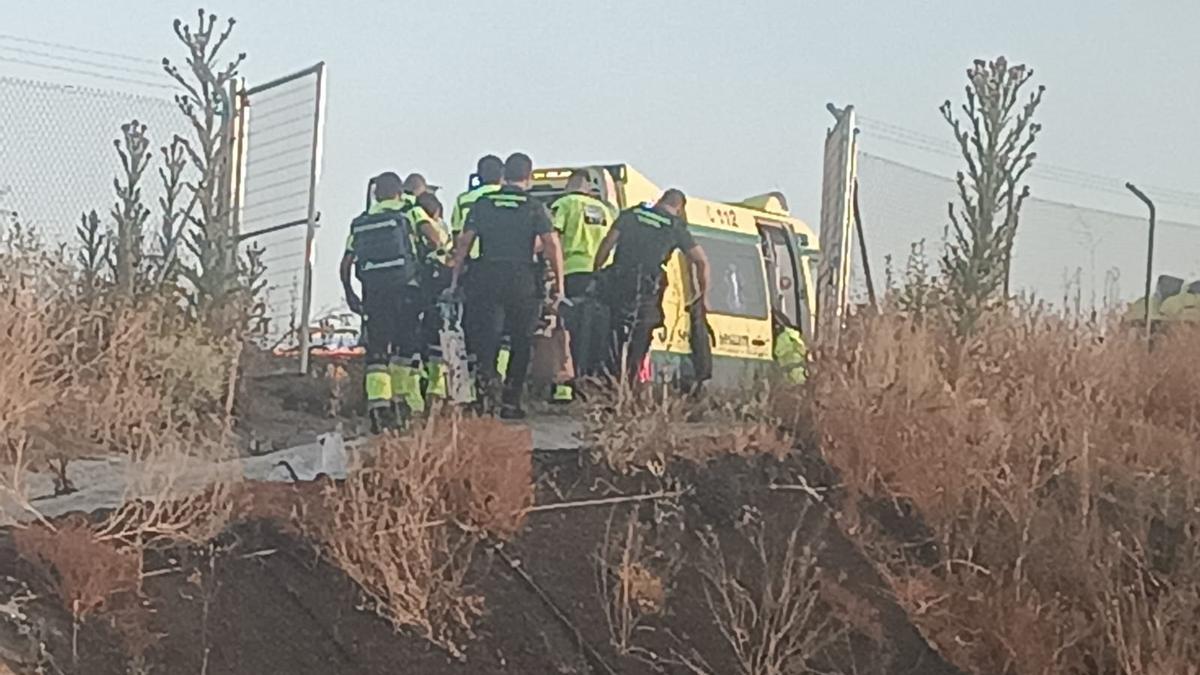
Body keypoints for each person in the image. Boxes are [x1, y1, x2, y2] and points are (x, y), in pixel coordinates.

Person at [450, 152, 564, 419]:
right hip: (522, 280)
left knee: (485, 338)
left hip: (486, 277)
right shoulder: (534, 206)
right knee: (521, 340)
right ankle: (511, 401)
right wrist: (560, 285)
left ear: (504, 176)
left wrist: (455, 280)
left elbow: (464, 242)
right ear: (529, 176)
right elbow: (551, 245)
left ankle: (486, 396)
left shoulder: (483, 202)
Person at [340, 172, 446, 431]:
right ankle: (402, 404)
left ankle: (379, 409)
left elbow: (345, 264)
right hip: (407, 289)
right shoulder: (410, 211)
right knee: (405, 349)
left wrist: (350, 293)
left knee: (377, 352)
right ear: (400, 193)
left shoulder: (361, 221)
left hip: (374, 292)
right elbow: (436, 240)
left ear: (376, 194)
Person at [593, 189, 709, 382]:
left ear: (660, 200)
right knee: (640, 338)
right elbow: (701, 261)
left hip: (618, 283)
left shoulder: (632, 214)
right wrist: (702, 295)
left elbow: (608, 242)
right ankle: (626, 385)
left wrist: (596, 271)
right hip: (648, 290)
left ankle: (605, 377)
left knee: (610, 332)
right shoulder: (675, 226)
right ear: (679, 208)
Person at [546, 170, 618, 401]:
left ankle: (565, 384)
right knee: (592, 332)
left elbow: (551, 238)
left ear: (569, 185)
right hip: (599, 277)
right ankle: (590, 382)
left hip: (570, 273)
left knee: (564, 328)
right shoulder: (606, 211)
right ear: (588, 187)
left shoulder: (564, 204)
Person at [450, 155, 504, 262]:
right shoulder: (508, 198)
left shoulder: (463, 200)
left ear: (479, 174)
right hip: (503, 259)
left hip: (471, 260)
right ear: (502, 174)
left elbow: (457, 234)